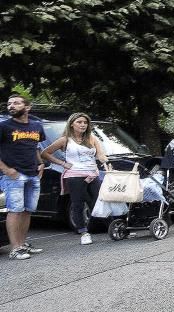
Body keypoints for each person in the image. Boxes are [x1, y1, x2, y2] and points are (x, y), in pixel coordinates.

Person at [40, 112, 110, 245]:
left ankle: (111, 227)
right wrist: (62, 163)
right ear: (72, 124)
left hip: (92, 174)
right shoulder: (65, 139)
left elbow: (101, 155)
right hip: (75, 174)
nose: (83, 125)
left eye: (85, 122)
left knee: (98, 201)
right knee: (77, 203)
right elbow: (45, 153)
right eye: (79, 122)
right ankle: (83, 232)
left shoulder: (92, 138)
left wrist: (105, 162)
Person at [0, 94, 46, 260]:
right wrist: (6, 170)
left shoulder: (36, 126)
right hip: (14, 175)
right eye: (9, 103)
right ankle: (15, 248)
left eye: (16, 103)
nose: (11, 106)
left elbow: (35, 147)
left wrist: (41, 163)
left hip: (33, 174)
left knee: (27, 211)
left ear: (27, 107)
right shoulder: (4, 127)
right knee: (15, 211)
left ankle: (22, 244)